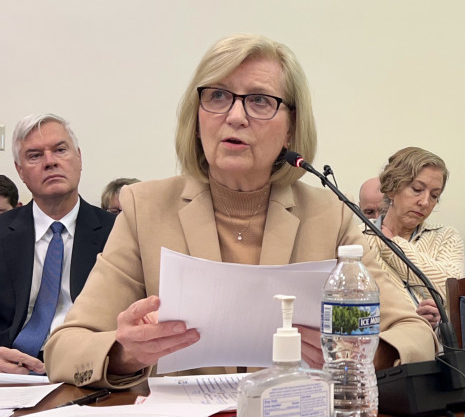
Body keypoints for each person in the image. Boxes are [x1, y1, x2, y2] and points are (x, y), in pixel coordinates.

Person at [45, 34, 437, 388]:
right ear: (196, 119)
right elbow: (64, 349)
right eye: (217, 96)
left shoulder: (328, 215)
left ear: (290, 128)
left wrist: (360, 351)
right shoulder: (144, 209)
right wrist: (125, 352)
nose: (234, 116)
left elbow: (414, 333)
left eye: (260, 100)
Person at [0, 114, 115, 375]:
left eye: (60, 150)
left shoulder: (117, 233)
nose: (50, 162)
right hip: (11, 372)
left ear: (79, 158)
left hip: (91, 369)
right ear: (20, 171)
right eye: (35, 155)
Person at [360, 147, 465, 329]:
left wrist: (392, 245)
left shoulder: (446, 236)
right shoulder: (359, 237)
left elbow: (451, 290)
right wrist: (411, 318)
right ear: (391, 189)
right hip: (380, 346)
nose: (425, 202)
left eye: (434, 196)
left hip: (437, 350)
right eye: (417, 189)